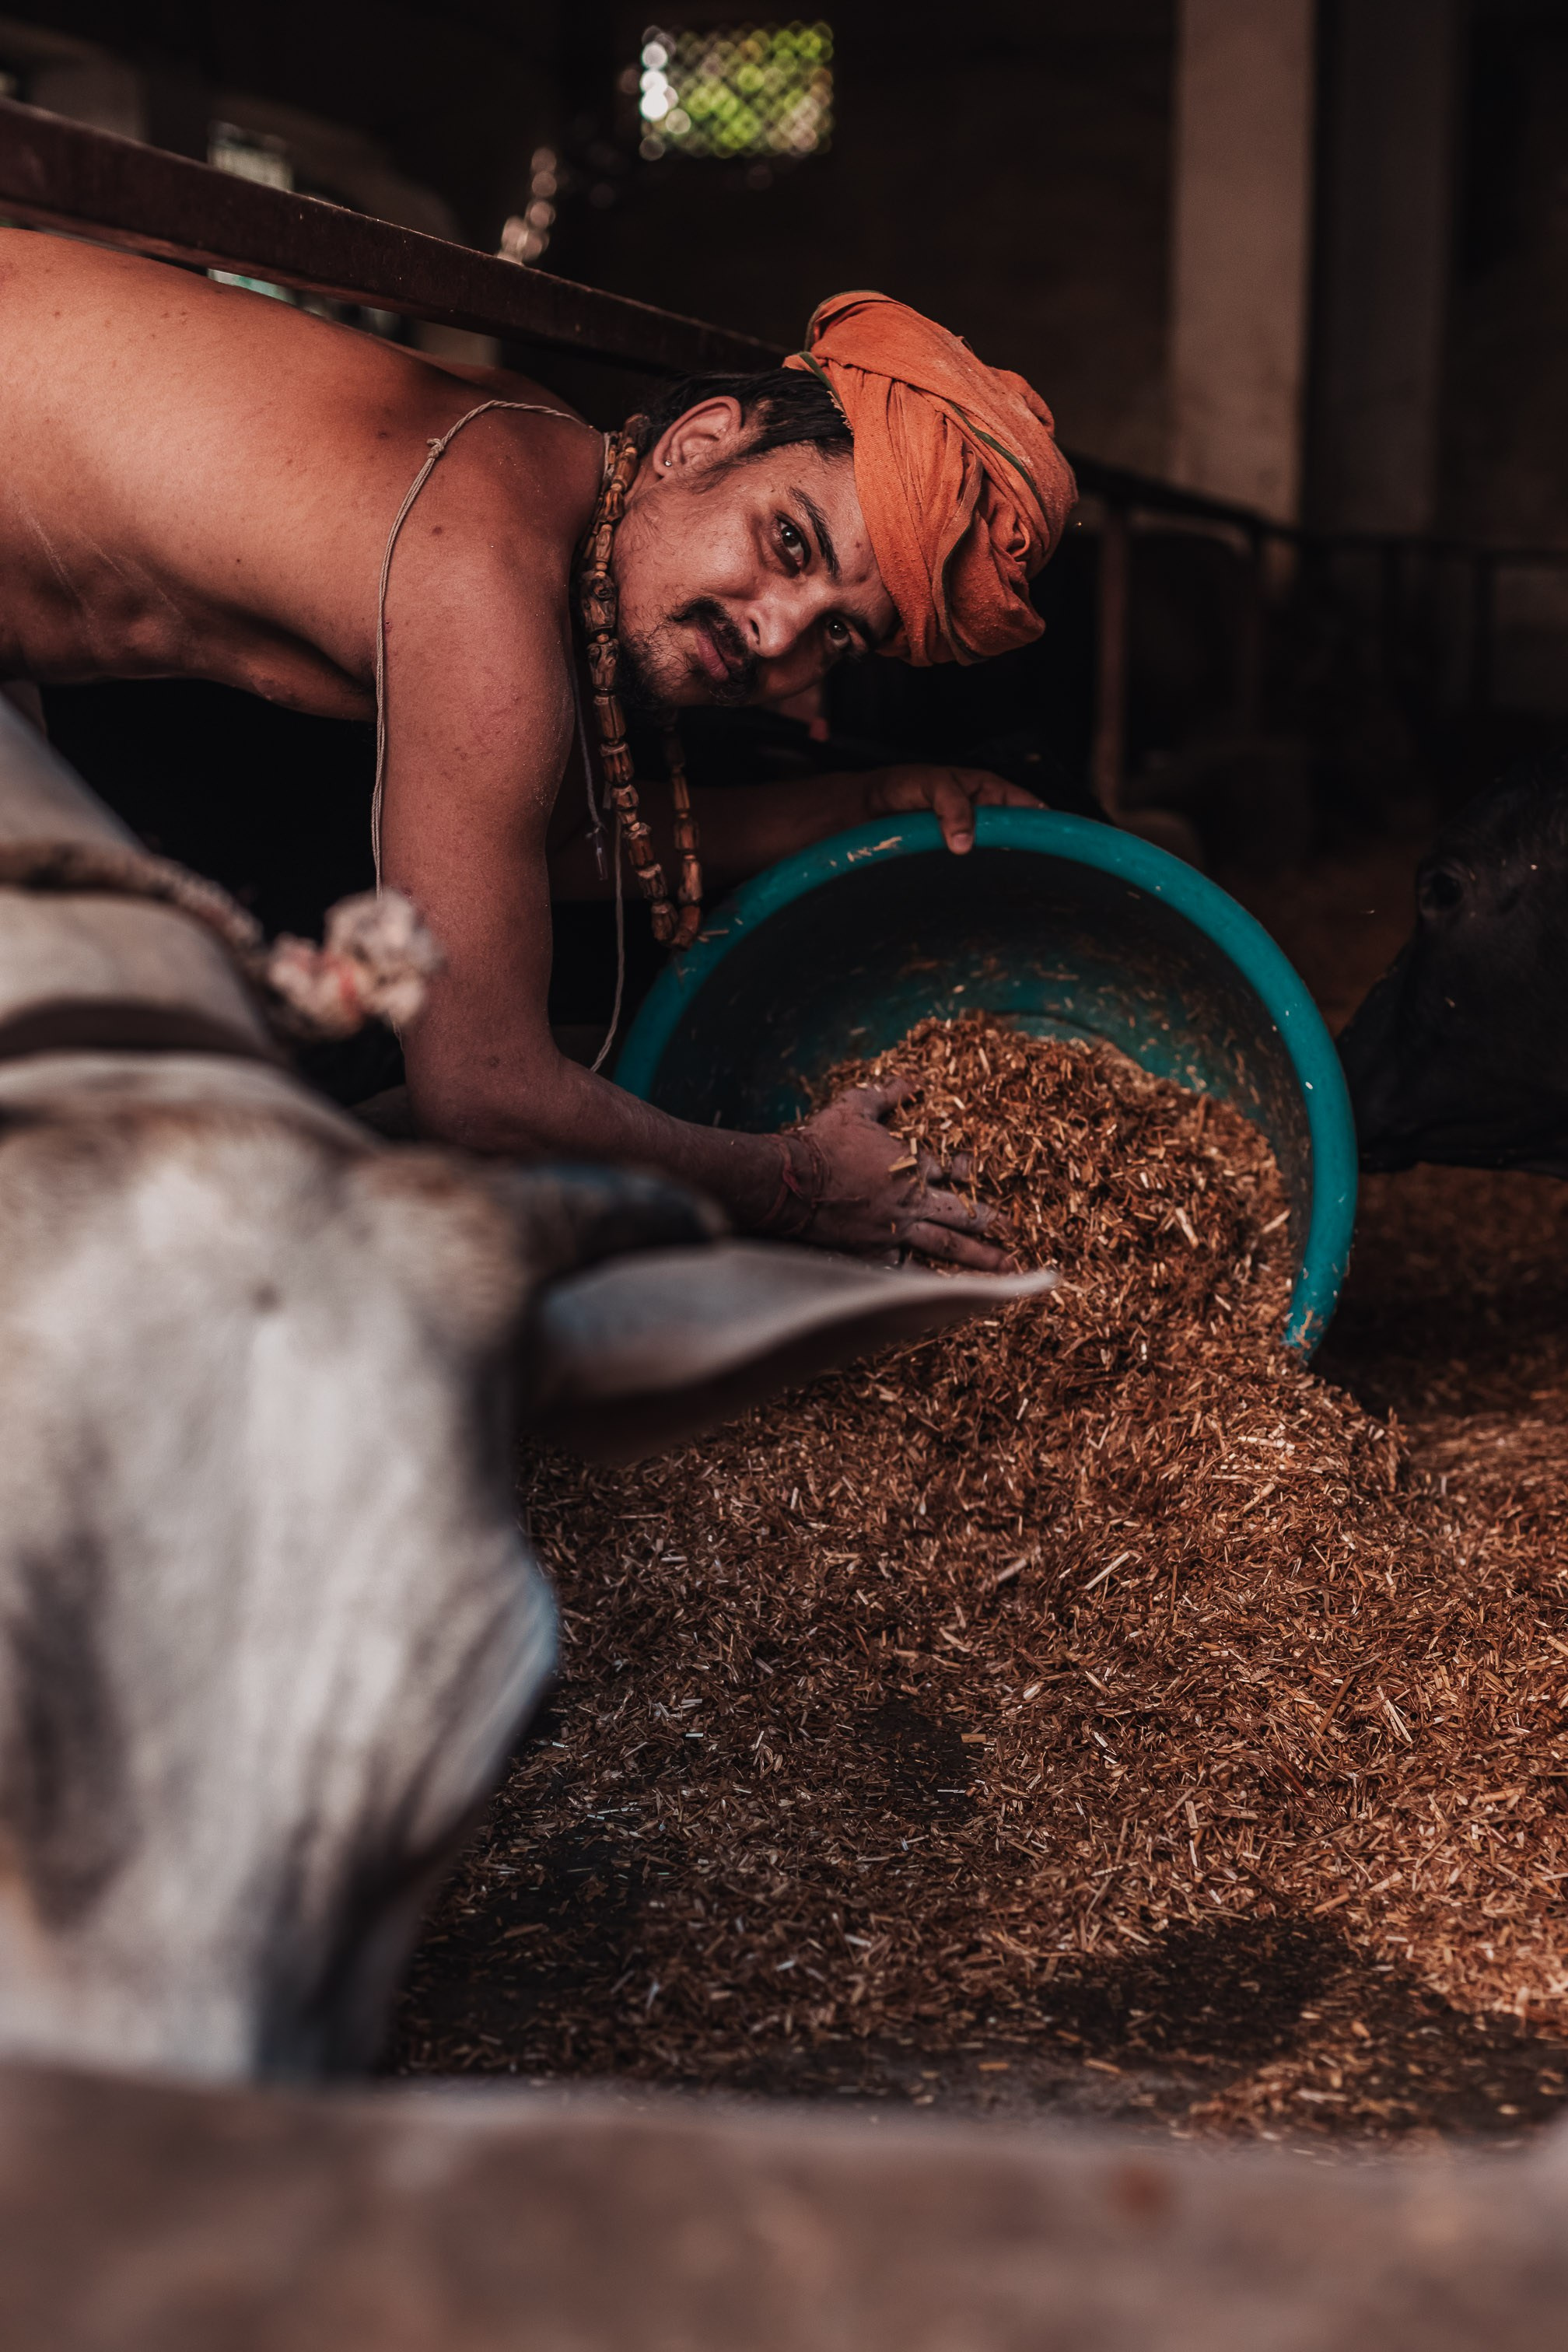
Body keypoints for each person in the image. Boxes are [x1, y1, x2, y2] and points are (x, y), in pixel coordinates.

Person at [0, 237, 1074, 1263]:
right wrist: (798, 1182)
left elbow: (543, 843)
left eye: (840, 633)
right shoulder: (484, 582)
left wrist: (867, 800)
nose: (778, 630)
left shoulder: (559, 472)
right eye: (789, 542)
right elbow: (484, 1094)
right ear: (699, 441)